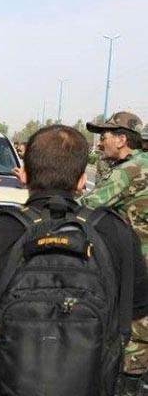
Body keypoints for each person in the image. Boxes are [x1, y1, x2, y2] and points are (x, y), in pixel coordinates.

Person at [0, 124, 148, 395]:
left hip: (10, 382)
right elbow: (136, 309)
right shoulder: (117, 233)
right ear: (82, 182)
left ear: (25, 175)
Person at [80, 112, 148, 393]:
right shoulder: (141, 164)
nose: (100, 142)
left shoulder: (128, 171)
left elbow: (87, 207)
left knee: (135, 335)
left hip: (139, 269)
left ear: (121, 139)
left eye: (104, 136)